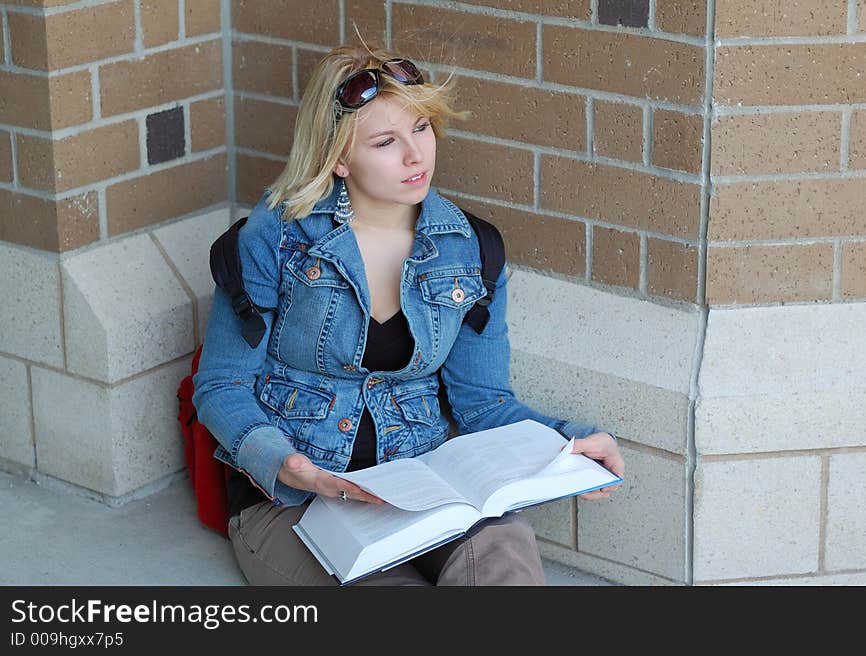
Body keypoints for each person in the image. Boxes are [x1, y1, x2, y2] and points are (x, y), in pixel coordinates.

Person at [192, 42, 624, 586]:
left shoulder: (470, 250)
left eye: (421, 128)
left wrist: (572, 442)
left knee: (505, 566)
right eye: (385, 142)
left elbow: (483, 404)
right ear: (339, 159)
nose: (416, 155)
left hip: (420, 480)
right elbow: (221, 384)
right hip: (296, 497)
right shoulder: (274, 241)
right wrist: (285, 463)